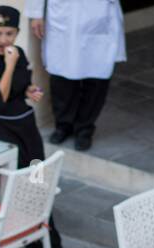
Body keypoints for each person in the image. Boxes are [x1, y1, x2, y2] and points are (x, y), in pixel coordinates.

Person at [0, 5, 83, 248]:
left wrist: (31, 90)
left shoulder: (18, 55)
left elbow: (20, 88)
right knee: (24, 189)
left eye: (9, 33)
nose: (3, 39)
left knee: (38, 185)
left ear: (17, 33)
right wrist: (8, 67)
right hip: (1, 133)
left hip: (26, 129)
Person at [27, 0, 126, 151]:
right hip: (63, 15)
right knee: (61, 77)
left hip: (99, 14)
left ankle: (84, 128)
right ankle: (63, 125)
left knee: (96, 76)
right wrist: (36, 14)